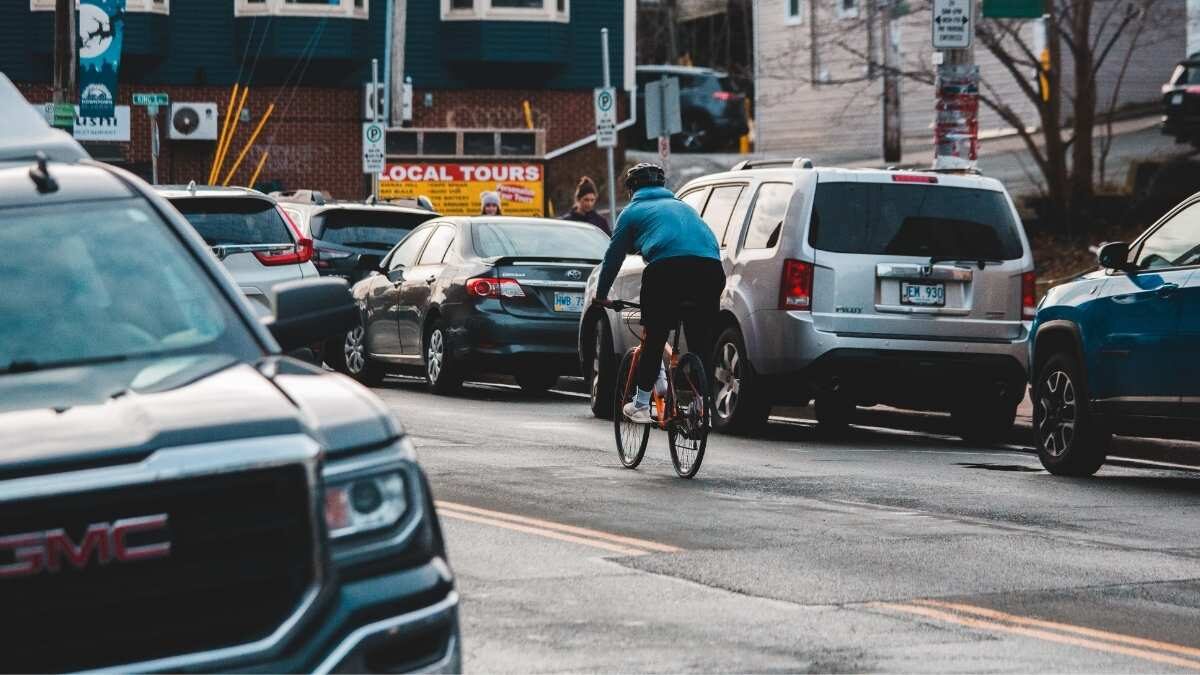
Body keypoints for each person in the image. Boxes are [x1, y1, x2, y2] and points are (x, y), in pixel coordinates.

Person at [593, 163, 725, 424]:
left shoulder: (631, 212)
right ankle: (703, 403)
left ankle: (642, 403)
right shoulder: (685, 207)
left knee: (655, 334)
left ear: (632, 190)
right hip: (711, 270)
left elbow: (613, 258)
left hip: (667, 270)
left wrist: (601, 294)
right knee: (701, 341)